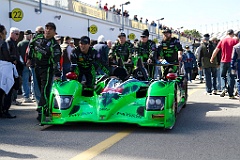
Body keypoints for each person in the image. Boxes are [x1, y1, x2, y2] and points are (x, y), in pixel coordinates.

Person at [26, 22, 62, 121]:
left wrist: (57, 74)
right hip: (36, 67)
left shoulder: (55, 45)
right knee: (37, 89)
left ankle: (41, 110)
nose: (48, 30)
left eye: (51, 29)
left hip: (47, 69)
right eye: (47, 28)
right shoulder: (37, 37)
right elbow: (31, 46)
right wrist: (29, 58)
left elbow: (57, 61)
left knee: (44, 89)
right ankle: (45, 108)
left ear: (54, 32)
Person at [210, 29, 238, 99]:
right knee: (231, 77)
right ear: (233, 34)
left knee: (222, 76)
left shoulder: (222, 41)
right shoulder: (235, 40)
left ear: (227, 33)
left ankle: (224, 88)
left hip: (223, 61)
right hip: (232, 62)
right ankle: (231, 94)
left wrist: (212, 58)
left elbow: (216, 50)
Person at [0, 24, 18, 118]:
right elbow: (7, 56)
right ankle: (5, 110)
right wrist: (13, 59)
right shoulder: (3, 43)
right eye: (5, 32)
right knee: (7, 89)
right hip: (5, 69)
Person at [27, 26, 44, 104]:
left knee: (40, 82)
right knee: (36, 83)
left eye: (42, 32)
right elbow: (29, 52)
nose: (41, 33)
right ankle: (39, 101)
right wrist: (29, 60)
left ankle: (41, 100)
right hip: (35, 65)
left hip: (41, 65)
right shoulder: (33, 40)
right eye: (39, 32)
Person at [6, 27, 22, 106]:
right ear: (11, 33)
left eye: (18, 34)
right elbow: (8, 54)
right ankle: (12, 100)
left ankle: (14, 99)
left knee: (16, 82)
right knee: (12, 83)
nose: (18, 36)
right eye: (16, 34)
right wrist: (13, 60)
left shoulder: (14, 42)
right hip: (10, 66)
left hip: (14, 66)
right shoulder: (8, 42)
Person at [17, 29, 33, 103]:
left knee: (25, 81)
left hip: (23, 64)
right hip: (32, 64)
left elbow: (18, 54)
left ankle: (26, 96)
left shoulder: (20, 44)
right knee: (34, 81)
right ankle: (33, 95)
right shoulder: (32, 43)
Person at [230, 31, 240, 100]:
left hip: (239, 63)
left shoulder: (236, 47)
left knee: (239, 79)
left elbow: (233, 58)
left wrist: (232, 67)